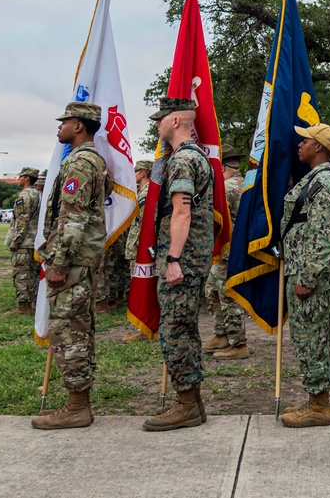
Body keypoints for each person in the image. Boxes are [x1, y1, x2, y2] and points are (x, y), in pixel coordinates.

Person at [31, 102, 111, 430]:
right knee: (77, 328)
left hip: (73, 261)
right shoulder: (89, 160)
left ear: (79, 126)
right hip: (81, 260)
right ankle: (78, 402)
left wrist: (59, 263)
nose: (60, 126)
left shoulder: (79, 163)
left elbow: (73, 219)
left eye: (65, 121)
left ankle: (77, 406)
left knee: (69, 332)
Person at [142, 97, 215, 432]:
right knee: (185, 328)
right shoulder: (193, 156)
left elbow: (181, 212)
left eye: (161, 119)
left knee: (174, 330)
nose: (157, 125)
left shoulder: (183, 160)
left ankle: (185, 404)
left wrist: (172, 259)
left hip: (182, 258)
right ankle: (193, 403)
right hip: (192, 257)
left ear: (175, 122)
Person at [280, 123, 330, 428]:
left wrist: (308, 276)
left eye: (305, 140)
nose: (300, 144)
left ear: (318, 146)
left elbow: (324, 232)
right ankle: (316, 398)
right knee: (310, 334)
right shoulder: (315, 179)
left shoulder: (325, 181)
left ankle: (320, 406)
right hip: (306, 265)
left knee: (311, 335)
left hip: (313, 270)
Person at [203, 144, 250, 360]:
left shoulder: (229, 188)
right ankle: (222, 334)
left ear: (221, 167)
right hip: (232, 251)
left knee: (227, 295)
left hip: (229, 251)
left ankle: (238, 343)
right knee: (213, 290)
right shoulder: (244, 183)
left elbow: (214, 220)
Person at [122, 159, 153, 343]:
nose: (133, 174)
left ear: (143, 173)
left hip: (141, 248)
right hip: (138, 247)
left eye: (136, 171)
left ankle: (143, 328)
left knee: (141, 287)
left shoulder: (147, 192)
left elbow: (144, 224)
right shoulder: (141, 192)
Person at [8, 167, 41, 314]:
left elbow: (22, 220)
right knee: (33, 275)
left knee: (21, 275)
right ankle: (33, 303)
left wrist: (15, 241)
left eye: (20, 176)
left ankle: (23, 306)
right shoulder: (38, 194)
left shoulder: (25, 196)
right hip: (35, 241)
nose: (18, 179)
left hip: (25, 242)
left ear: (27, 178)